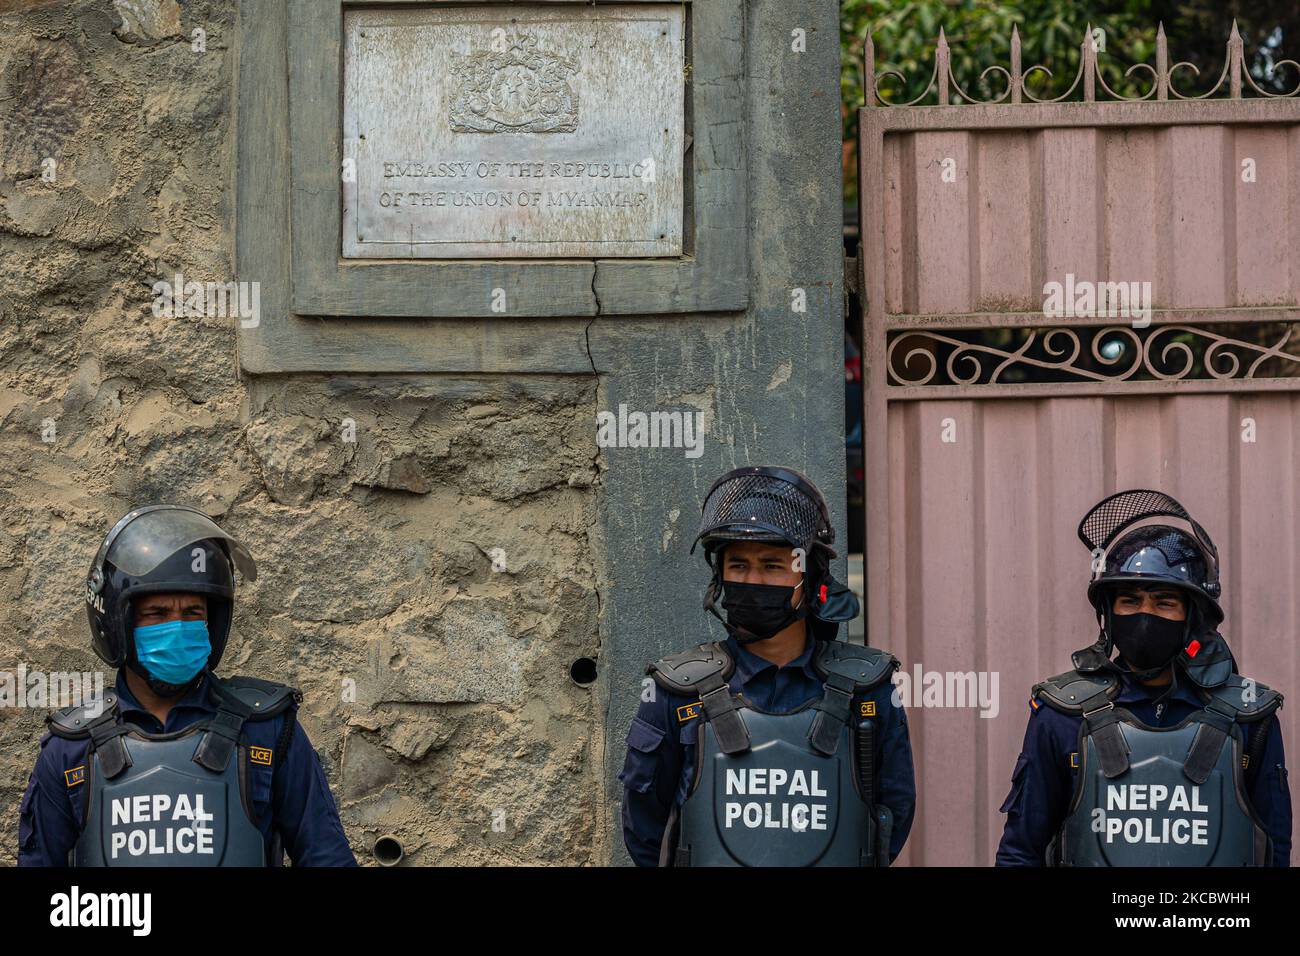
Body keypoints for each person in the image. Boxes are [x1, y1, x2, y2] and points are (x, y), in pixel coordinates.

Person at [18, 505, 356, 866]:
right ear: (118, 623)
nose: (177, 627)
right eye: (157, 614)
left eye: (193, 613)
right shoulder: (71, 748)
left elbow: (326, 857)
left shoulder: (267, 729)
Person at [620, 465, 916, 866]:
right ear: (720, 576)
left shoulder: (868, 689)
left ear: (808, 576)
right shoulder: (676, 690)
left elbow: (890, 817)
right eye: (738, 565)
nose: (753, 578)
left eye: (773, 565)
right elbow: (646, 829)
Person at [997, 489, 1291, 866]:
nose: (1145, 614)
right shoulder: (1062, 714)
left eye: (1164, 602)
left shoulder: (1251, 719)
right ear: (1109, 612)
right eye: (1129, 601)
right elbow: (1021, 854)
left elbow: (1274, 853)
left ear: (1193, 616)